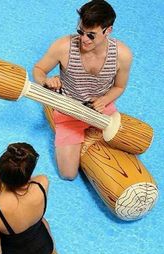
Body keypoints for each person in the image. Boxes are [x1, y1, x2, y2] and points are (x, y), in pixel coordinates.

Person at [33, 0, 133, 180]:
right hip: (68, 110)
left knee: (127, 151)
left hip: (101, 109)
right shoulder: (63, 46)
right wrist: (46, 81)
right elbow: (38, 70)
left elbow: (119, 86)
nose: (84, 39)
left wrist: (104, 100)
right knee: (68, 174)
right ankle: (57, 116)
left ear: (107, 31)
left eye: (91, 35)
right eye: (81, 32)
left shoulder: (122, 55)